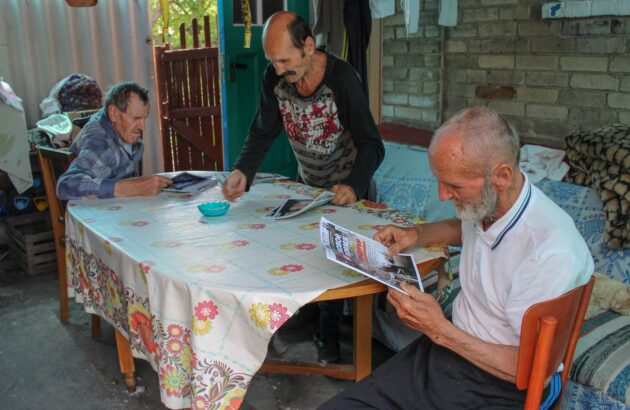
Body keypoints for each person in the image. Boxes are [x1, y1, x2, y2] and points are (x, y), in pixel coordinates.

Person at [320, 107, 594, 409]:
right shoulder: (491, 205)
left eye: (454, 186)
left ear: (501, 175)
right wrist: (416, 234)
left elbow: (529, 370)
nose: (442, 195)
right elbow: (467, 229)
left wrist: (438, 328)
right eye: (440, 181)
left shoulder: (550, 251)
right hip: (450, 352)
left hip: (501, 383)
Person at [222, 12, 384, 364]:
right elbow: (263, 129)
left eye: (285, 60)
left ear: (308, 46)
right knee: (303, 254)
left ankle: (329, 342)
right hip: (309, 184)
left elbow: (372, 144)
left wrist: (354, 186)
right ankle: (306, 320)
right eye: (272, 61)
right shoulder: (274, 78)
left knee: (334, 260)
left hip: (347, 187)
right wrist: (243, 170)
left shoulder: (343, 79)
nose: (278, 69)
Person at [57, 81, 172, 200]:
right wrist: (133, 188)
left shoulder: (115, 121)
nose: (143, 127)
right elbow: (65, 185)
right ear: (113, 113)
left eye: (144, 118)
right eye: (136, 118)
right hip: (94, 213)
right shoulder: (100, 141)